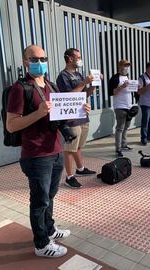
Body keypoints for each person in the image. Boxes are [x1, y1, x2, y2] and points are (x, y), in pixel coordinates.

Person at [6, 45, 88, 258]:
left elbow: (60, 117)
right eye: (34, 59)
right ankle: (41, 243)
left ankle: (49, 229)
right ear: (25, 62)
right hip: (36, 155)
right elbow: (11, 125)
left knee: (50, 196)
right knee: (39, 199)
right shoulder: (20, 88)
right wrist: (39, 113)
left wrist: (79, 110)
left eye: (43, 58)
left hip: (56, 150)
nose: (39, 62)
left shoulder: (50, 85)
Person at [56, 48, 99, 189]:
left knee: (79, 146)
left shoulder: (79, 74)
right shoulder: (63, 76)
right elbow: (68, 97)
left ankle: (80, 169)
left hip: (82, 115)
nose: (80, 59)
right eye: (78, 57)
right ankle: (69, 177)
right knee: (69, 149)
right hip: (71, 118)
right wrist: (84, 82)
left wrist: (93, 85)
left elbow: (83, 94)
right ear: (69, 58)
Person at [108, 59, 134, 157]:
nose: (126, 68)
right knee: (120, 128)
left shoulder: (127, 77)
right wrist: (122, 86)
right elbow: (113, 92)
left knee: (126, 127)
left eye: (128, 66)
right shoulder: (114, 78)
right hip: (119, 106)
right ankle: (118, 149)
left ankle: (124, 144)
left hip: (128, 106)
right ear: (119, 67)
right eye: (125, 66)